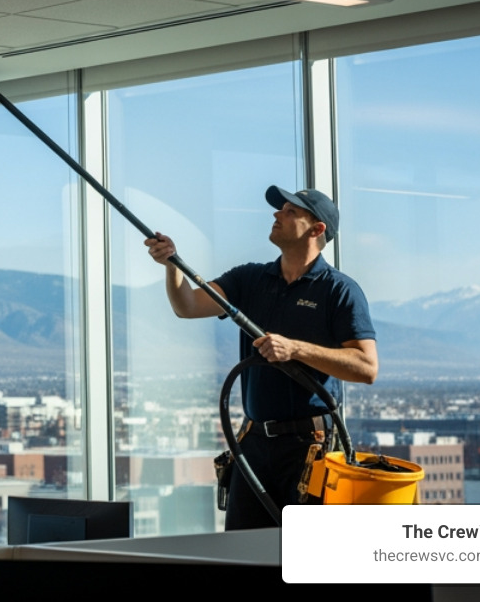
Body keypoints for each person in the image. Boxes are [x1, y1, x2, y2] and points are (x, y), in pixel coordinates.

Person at [144, 186, 377, 530]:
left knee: (303, 562)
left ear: (317, 229)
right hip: (252, 444)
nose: (276, 215)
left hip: (309, 449)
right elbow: (187, 306)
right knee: (243, 552)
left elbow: (366, 368)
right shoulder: (250, 279)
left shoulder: (338, 290)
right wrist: (171, 264)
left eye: (290, 211)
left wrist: (295, 349)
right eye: (280, 209)